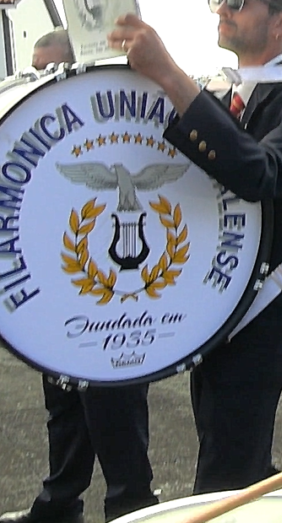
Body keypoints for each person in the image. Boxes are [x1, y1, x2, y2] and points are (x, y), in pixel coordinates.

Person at [107, 0, 282, 493]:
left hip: (265, 318)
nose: (222, 9)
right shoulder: (216, 97)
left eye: (239, 0)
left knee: (224, 470)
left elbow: (260, 174)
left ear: (281, 22)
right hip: (212, 303)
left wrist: (171, 77)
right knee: (236, 454)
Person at [0, 31, 159, 523]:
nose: (41, 80)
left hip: (112, 299)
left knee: (113, 407)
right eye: (35, 70)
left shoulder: (106, 129)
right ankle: (59, 501)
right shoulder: (37, 136)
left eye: (50, 70)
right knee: (64, 406)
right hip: (59, 292)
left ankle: (131, 506)